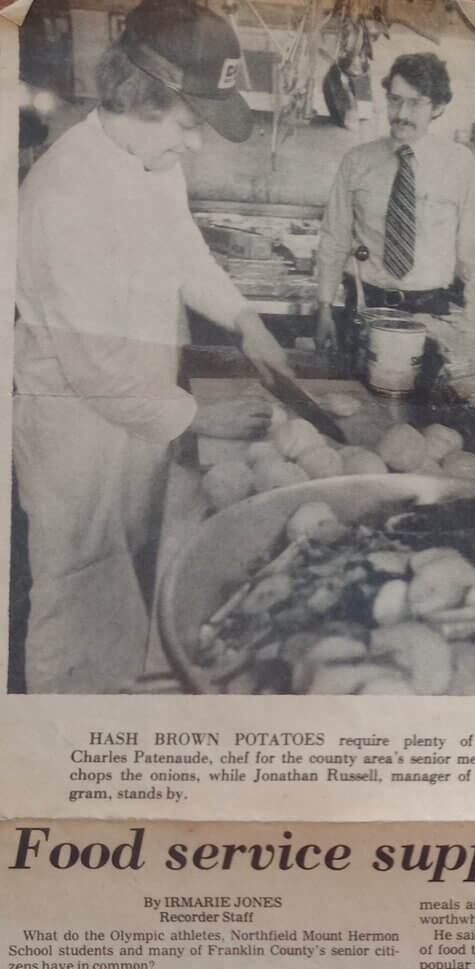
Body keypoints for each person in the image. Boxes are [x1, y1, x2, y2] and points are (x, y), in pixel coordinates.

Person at [14, 0, 291, 693]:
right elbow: (95, 370)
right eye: (190, 124)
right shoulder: (64, 194)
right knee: (75, 602)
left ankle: (113, 703)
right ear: (141, 97)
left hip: (143, 421)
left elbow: (184, 253)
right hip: (79, 440)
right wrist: (202, 420)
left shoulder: (152, 160)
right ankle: (60, 760)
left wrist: (244, 318)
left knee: (126, 585)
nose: (195, 144)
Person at [314, 51, 475, 350]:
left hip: (431, 313)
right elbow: (334, 239)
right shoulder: (357, 161)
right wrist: (323, 309)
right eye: (395, 99)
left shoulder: (459, 164)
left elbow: (474, 253)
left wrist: (471, 322)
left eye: (416, 103)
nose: (401, 113)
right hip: (362, 309)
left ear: (437, 107)